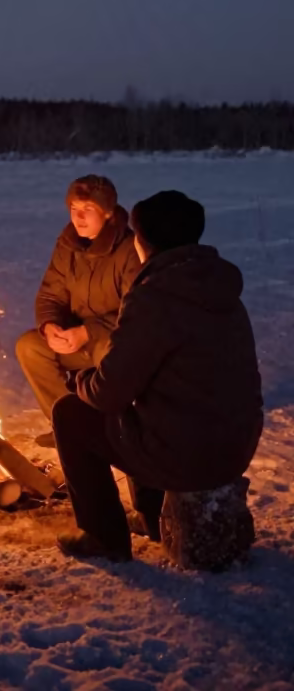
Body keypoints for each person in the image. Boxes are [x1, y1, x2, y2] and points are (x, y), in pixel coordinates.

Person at [52, 191, 263, 562]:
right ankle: (153, 517)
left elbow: (108, 393)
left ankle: (103, 538)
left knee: (71, 414)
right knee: (142, 409)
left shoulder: (155, 298)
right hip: (236, 446)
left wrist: (79, 381)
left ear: (144, 242)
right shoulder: (222, 291)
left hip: (190, 455)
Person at [16, 174, 142, 445]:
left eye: (88, 210)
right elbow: (51, 293)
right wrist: (51, 327)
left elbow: (137, 312)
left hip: (112, 338)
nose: (79, 217)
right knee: (30, 347)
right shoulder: (68, 244)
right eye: (74, 209)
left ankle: (115, 432)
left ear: (107, 213)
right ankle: (66, 424)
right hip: (75, 337)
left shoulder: (129, 248)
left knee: (111, 353)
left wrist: (88, 332)